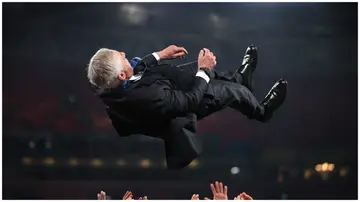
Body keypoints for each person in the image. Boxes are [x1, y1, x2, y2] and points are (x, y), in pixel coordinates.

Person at [87, 45, 287, 169]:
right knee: (231, 91)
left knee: (194, 72)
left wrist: (161, 55)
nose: (123, 53)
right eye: (120, 56)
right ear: (121, 75)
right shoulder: (146, 97)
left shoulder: (116, 84)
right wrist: (204, 70)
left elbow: (138, 67)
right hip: (186, 104)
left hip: (167, 86)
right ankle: (262, 112)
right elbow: (190, 100)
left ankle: (241, 78)